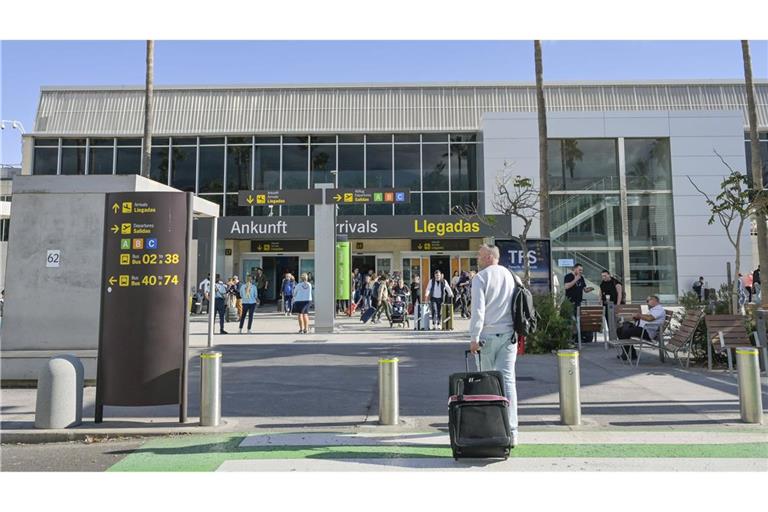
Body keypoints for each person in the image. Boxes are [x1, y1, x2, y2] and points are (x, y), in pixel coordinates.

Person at [468, 244, 519, 448]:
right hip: (509, 335)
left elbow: (478, 311)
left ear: (490, 256)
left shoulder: (480, 278)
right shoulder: (512, 276)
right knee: (508, 382)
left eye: (480, 255)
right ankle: (512, 431)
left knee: (486, 382)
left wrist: (474, 337)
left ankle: (489, 429)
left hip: (486, 337)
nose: (477, 258)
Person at [616, 295, 666, 361]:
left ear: (655, 301)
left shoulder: (659, 309)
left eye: (649, 300)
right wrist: (637, 317)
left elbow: (650, 318)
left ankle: (627, 354)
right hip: (641, 329)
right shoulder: (653, 309)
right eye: (647, 301)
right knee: (619, 330)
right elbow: (647, 317)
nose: (647, 302)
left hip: (647, 331)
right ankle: (630, 353)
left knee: (626, 331)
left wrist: (639, 316)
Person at [564, 263, 594, 343]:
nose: (581, 271)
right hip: (569, 302)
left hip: (578, 303)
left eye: (582, 270)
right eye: (579, 270)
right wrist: (575, 279)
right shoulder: (568, 276)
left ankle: (577, 338)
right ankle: (570, 339)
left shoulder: (581, 278)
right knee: (570, 321)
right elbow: (566, 286)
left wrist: (589, 289)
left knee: (577, 320)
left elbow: (584, 289)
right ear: (574, 269)